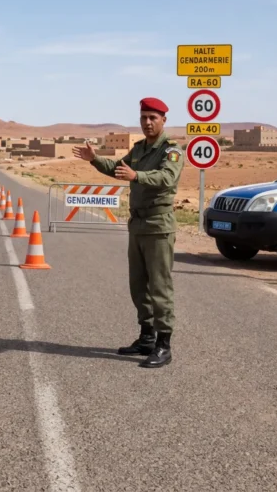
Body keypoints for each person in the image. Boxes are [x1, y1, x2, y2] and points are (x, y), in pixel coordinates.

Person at [72, 97, 183, 368]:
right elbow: (118, 169)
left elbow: (167, 178)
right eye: (144, 117)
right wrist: (95, 159)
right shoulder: (138, 149)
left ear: (163, 120)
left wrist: (137, 177)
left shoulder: (171, 151)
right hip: (138, 226)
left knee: (160, 286)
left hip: (158, 227)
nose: (147, 122)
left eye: (152, 118)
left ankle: (164, 344)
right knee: (138, 285)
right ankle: (146, 337)